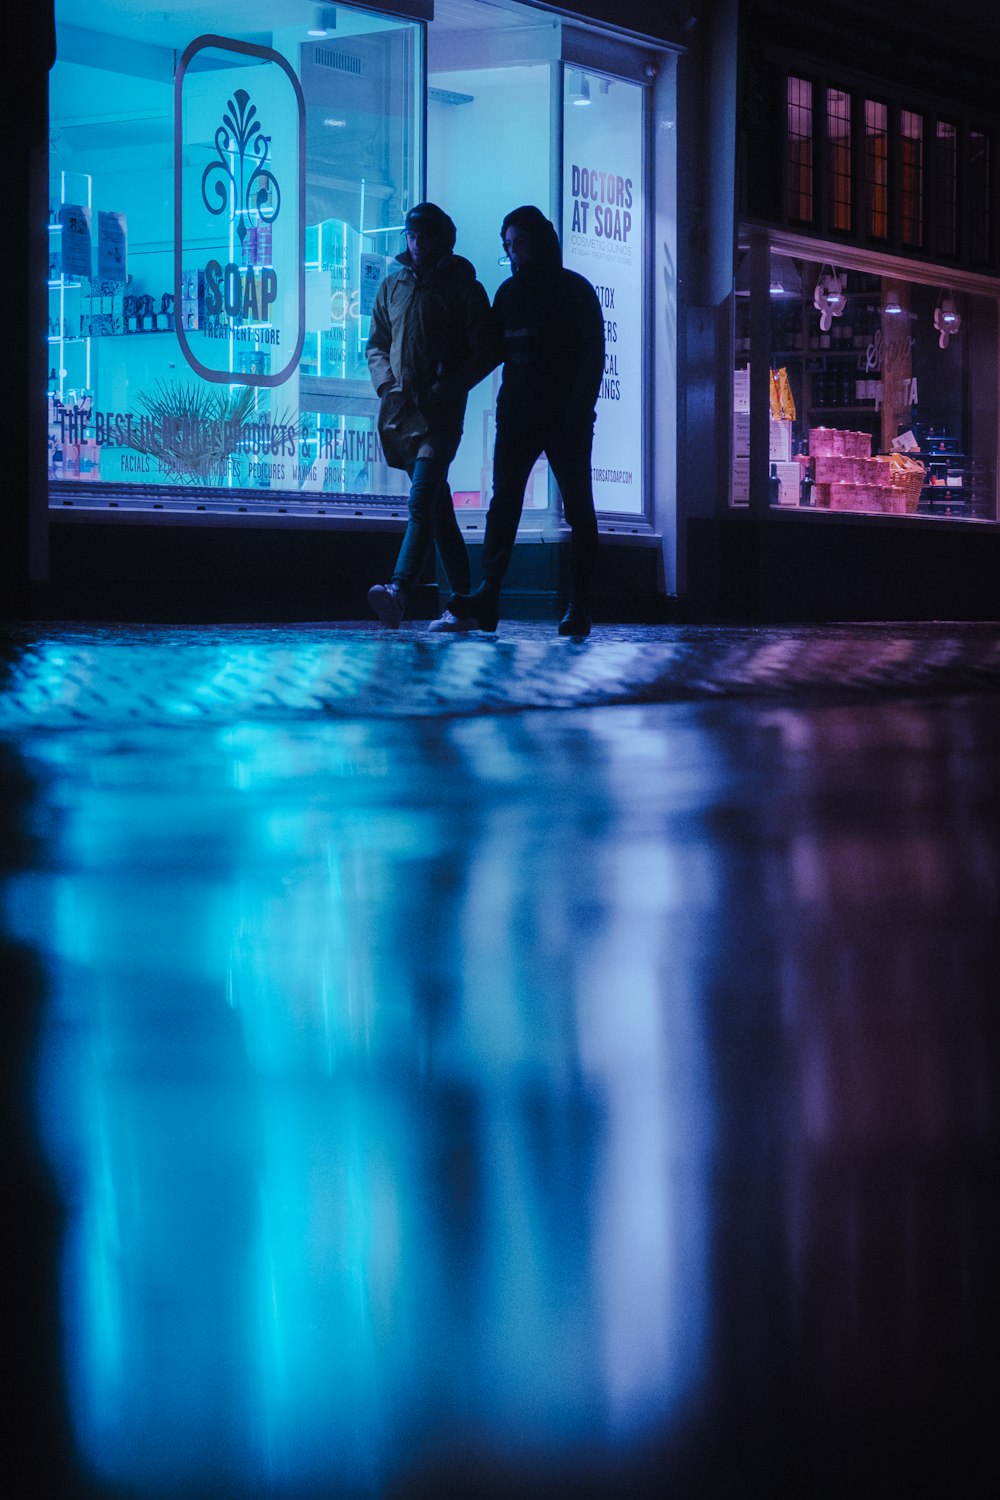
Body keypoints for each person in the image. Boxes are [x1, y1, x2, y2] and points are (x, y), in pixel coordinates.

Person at [431, 204, 605, 637]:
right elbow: (489, 353)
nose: (513, 254)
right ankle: (489, 596)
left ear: (540, 241)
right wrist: (452, 384)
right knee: (504, 505)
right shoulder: (509, 295)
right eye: (508, 246)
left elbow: (591, 361)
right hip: (519, 415)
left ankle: (578, 605)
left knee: (579, 509)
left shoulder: (574, 292)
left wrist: (578, 412)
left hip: (564, 417)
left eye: (520, 243)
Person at [366, 203, 491, 629]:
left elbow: (485, 349)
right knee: (439, 513)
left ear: (442, 240)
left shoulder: (462, 288)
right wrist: (387, 384)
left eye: (425, 236)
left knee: (421, 502)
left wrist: (452, 383)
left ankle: (399, 590)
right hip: (403, 416)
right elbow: (377, 344)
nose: (416, 244)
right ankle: (465, 601)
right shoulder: (392, 287)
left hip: (440, 416)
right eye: (411, 235)